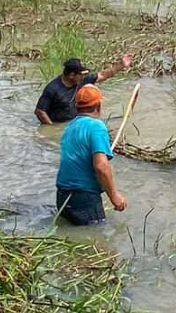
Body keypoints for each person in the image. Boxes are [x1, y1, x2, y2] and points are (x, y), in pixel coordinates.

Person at [55, 85, 126, 224]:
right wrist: (114, 197)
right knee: (97, 242)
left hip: (62, 196)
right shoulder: (96, 126)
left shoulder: (69, 127)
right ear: (98, 106)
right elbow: (101, 166)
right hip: (84, 197)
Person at [35, 54, 133, 125]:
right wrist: (52, 129)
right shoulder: (52, 89)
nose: (83, 77)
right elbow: (40, 111)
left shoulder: (81, 80)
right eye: (80, 74)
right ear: (71, 75)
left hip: (77, 120)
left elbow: (102, 75)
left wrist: (121, 65)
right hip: (61, 122)